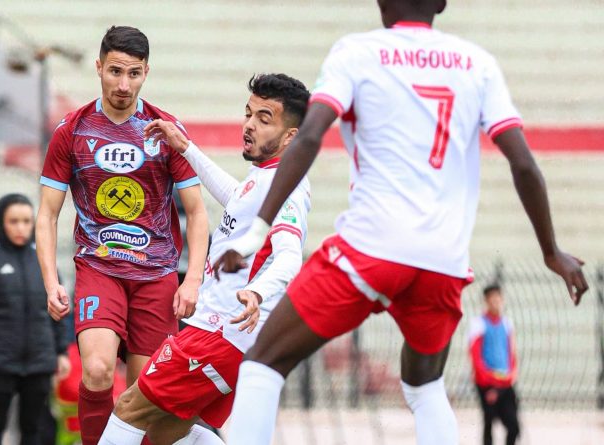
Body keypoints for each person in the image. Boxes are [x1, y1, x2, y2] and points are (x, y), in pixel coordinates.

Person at [213, 1, 589, 444]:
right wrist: (551, 251)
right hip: (443, 262)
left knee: (263, 362)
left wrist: (257, 231)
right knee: (425, 387)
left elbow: (309, 136)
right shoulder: (478, 64)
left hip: (369, 251)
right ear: (442, 3)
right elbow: (523, 164)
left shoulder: (357, 52)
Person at [98, 73, 311, 445]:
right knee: (165, 433)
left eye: (264, 119)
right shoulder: (265, 177)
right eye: (248, 114)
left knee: (129, 408)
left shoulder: (287, 187)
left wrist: (257, 292)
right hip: (230, 339)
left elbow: (290, 256)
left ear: (290, 136)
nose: (249, 125)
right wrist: (186, 148)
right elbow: (237, 198)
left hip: (219, 333)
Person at [36, 25, 209, 445]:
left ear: (146, 72)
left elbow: (197, 211)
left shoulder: (166, 130)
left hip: (157, 277)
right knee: (96, 370)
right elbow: (47, 213)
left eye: (133, 73)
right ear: (99, 67)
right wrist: (51, 281)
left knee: (142, 398)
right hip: (99, 269)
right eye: (115, 71)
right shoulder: (72, 130)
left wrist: (192, 280)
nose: (123, 84)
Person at [0, 193, 69, 445]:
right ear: (1, 222)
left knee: (33, 429)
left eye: (26, 221)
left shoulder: (44, 259)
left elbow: (61, 307)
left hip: (40, 361)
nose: (21, 228)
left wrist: (61, 351)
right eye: (14, 221)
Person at [469, 284, 520, 445]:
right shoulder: (478, 324)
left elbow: (511, 352)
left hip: (505, 382)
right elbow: (475, 355)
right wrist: (488, 381)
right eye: (492, 299)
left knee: (513, 426)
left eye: (498, 299)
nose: (495, 302)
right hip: (487, 383)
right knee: (489, 422)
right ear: (486, 301)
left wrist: (512, 373)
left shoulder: (507, 323)